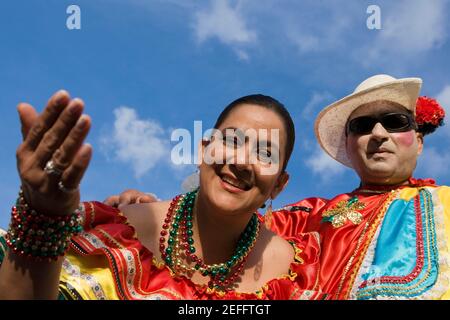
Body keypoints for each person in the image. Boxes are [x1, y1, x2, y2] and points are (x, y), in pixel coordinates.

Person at [110, 74, 450, 300]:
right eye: (362, 125)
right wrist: (147, 219)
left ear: (418, 141)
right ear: (348, 145)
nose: (378, 134)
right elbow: (226, 224)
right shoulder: (308, 216)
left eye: (394, 122)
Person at [0, 93, 326, 300]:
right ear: (203, 150)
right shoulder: (119, 233)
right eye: (231, 140)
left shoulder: (295, 275)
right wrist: (43, 214)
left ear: (279, 185)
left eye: (264, 152)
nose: (241, 161)